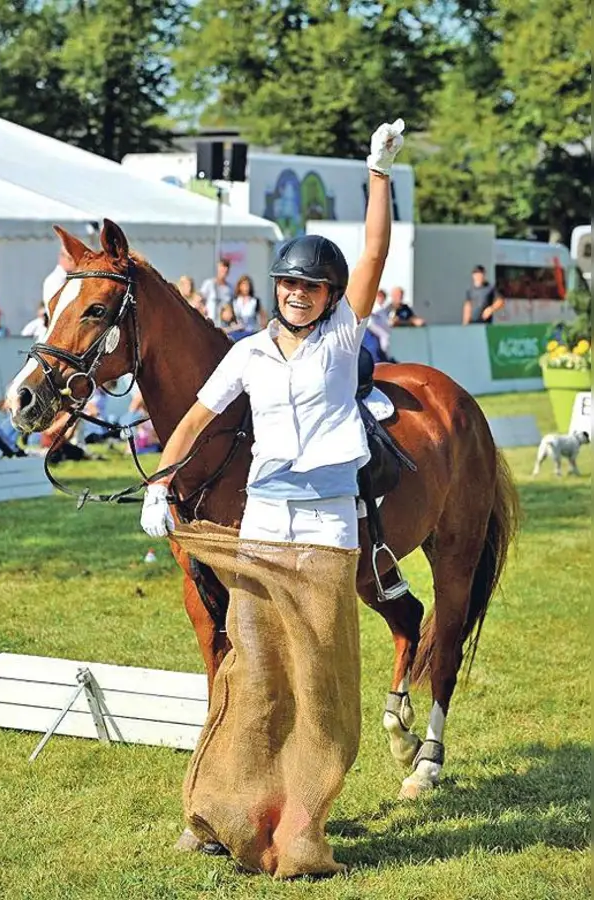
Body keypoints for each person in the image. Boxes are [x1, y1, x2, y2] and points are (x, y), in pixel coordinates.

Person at [142, 117, 406, 874]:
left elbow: (375, 253)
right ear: (277, 287)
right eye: (289, 283)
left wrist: (378, 174)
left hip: (327, 529)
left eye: (310, 286)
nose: (297, 294)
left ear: (329, 296)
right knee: (253, 672)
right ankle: (227, 810)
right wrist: (161, 481)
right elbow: (197, 418)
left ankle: (302, 820)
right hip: (262, 524)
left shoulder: (342, 337)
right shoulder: (248, 353)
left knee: (317, 679)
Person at [199, 259, 234, 326]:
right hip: (209, 324)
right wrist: (203, 308)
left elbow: (232, 307)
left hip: (224, 326)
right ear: (218, 268)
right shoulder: (208, 283)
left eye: (227, 268)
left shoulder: (230, 288)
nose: (225, 270)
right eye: (222, 267)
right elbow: (199, 300)